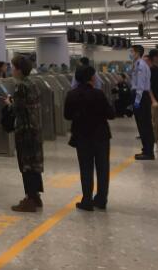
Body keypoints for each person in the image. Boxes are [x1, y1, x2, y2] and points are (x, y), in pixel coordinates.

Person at [64, 65, 115, 211]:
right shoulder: (99, 94)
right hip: (101, 136)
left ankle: (87, 200)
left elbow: (67, 115)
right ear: (91, 77)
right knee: (102, 168)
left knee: (85, 168)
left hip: (82, 136)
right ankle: (101, 200)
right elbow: (111, 114)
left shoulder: (72, 94)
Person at [3, 55, 44, 212]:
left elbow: (18, 109)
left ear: (19, 70)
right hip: (35, 128)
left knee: (26, 165)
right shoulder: (33, 83)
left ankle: (30, 200)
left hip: (25, 130)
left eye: (13, 68)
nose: (12, 70)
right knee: (34, 164)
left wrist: (9, 103)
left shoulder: (20, 86)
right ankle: (36, 196)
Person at [130, 45, 155, 160]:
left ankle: (148, 152)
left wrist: (137, 101)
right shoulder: (139, 64)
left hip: (141, 97)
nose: (130, 54)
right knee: (143, 125)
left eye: (132, 51)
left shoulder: (140, 65)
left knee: (144, 125)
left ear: (137, 53)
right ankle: (146, 149)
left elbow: (140, 85)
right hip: (141, 96)